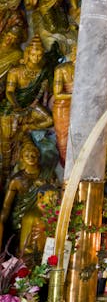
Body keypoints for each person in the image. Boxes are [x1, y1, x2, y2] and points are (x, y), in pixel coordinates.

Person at [0, 36, 53, 186]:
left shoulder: (42, 71)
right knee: (7, 141)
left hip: (31, 106)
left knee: (49, 120)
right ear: (28, 53)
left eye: (39, 55)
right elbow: (9, 92)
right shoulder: (16, 71)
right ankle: (5, 172)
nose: (36, 58)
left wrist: (46, 81)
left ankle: (27, 127)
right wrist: (17, 106)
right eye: (33, 54)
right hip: (12, 107)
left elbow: (46, 90)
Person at [0, 140, 44, 248]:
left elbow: (54, 194)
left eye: (33, 153)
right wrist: (2, 223)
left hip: (40, 216)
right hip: (20, 217)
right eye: (27, 155)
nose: (31, 157)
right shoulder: (16, 180)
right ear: (22, 158)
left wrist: (46, 185)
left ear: (38, 155)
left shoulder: (47, 174)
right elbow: (6, 206)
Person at [52, 44, 75, 166]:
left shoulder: (88, 70)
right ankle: (67, 167)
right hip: (63, 106)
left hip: (82, 106)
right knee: (63, 138)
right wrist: (77, 94)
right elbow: (58, 94)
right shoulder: (61, 69)